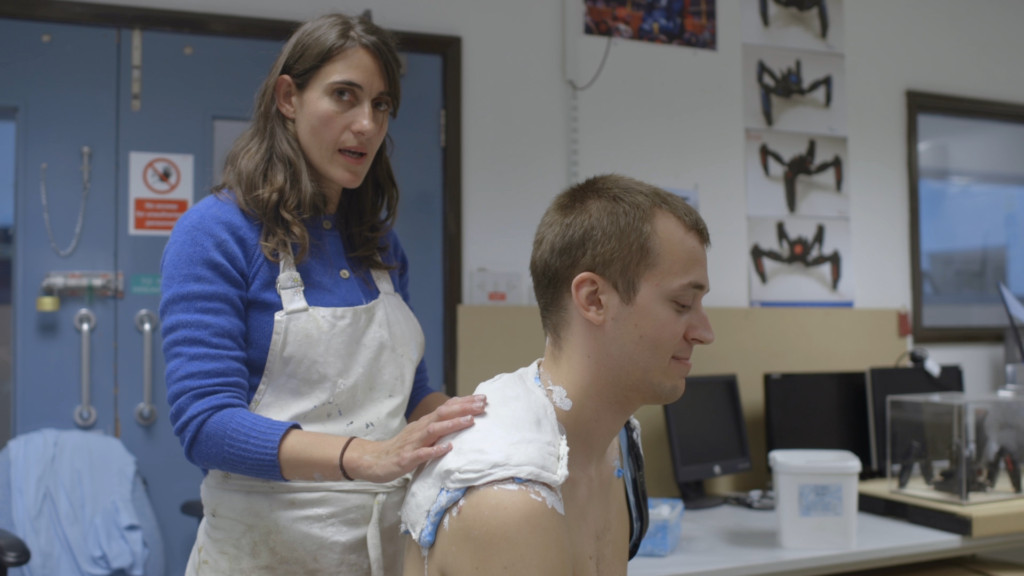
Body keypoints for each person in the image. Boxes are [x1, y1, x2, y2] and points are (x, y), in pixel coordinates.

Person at [159, 13, 485, 576]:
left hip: (387, 549)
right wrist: (367, 457)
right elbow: (206, 424)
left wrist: (481, 423)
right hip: (263, 555)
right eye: (344, 96)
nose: (366, 124)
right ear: (289, 97)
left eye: (381, 105)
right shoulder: (214, 233)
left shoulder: (379, 244)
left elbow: (410, 397)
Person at [400, 173, 715, 575]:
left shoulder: (614, 445)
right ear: (594, 299)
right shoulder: (510, 501)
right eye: (682, 303)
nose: (705, 333)